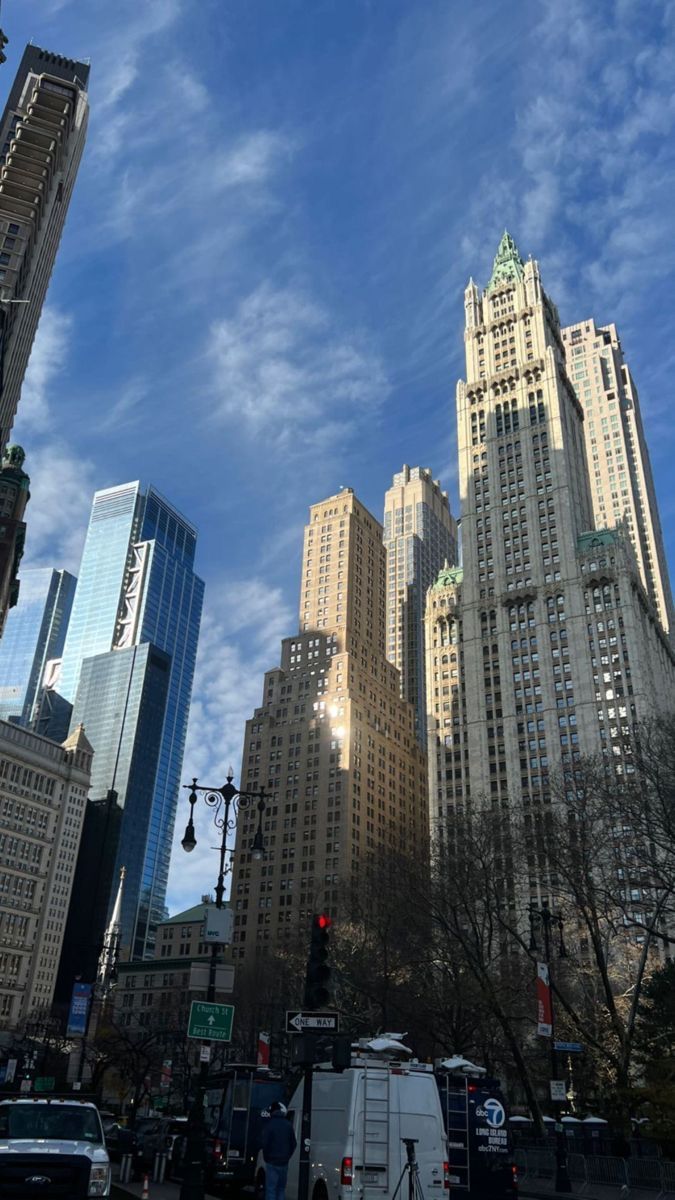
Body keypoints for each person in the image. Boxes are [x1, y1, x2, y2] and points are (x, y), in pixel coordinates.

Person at [261, 1101, 297, 1200]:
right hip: (284, 1162)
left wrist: (266, 1157)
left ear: (272, 1111)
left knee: (271, 1189)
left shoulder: (269, 1125)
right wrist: (287, 1156)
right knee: (281, 1189)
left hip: (272, 1162)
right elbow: (293, 1143)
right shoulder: (288, 1125)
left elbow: (265, 1143)